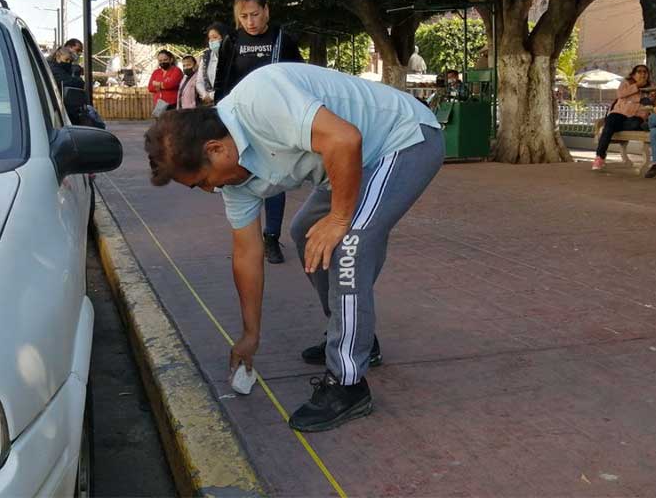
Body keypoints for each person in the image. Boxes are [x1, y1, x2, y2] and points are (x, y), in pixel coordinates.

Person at [144, 63, 444, 432]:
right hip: (348, 160)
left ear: (216, 149)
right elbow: (247, 254)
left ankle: (348, 385)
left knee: (348, 245)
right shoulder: (234, 183)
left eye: (203, 182)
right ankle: (354, 335)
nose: (209, 190)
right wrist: (250, 334)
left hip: (403, 139)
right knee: (305, 232)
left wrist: (338, 220)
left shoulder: (262, 99)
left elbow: (345, 139)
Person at [214, 0, 304, 264]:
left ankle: (271, 237)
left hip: (275, 125)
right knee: (239, 179)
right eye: (243, 16)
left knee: (274, 179)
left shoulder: (282, 39)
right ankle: (246, 236)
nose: (250, 22)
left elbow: (300, 78)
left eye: (254, 14)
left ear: (266, 10)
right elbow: (221, 84)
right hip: (240, 124)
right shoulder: (234, 42)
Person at [593, 64, 656, 171]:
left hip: (636, 117)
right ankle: (600, 157)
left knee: (629, 124)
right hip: (620, 113)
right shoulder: (627, 83)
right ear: (633, 74)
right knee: (610, 121)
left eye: (645, 72)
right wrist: (636, 86)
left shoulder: (651, 86)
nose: (643, 74)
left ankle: (613, 127)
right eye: (639, 72)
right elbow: (620, 94)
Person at [196, 22, 227, 105]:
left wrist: (212, 96)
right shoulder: (206, 57)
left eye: (215, 37)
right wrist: (205, 95)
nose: (212, 41)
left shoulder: (232, 56)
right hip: (210, 103)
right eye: (210, 38)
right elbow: (199, 81)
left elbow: (229, 82)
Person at [148, 49, 184, 116]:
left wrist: (157, 84)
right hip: (159, 105)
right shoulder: (156, 72)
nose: (163, 62)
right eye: (160, 61)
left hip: (172, 104)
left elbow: (171, 84)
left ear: (171, 59)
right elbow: (150, 87)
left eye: (165, 60)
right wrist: (163, 84)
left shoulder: (176, 71)